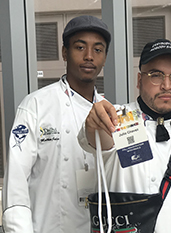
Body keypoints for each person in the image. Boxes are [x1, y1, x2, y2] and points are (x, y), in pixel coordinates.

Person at [78, 39, 171, 232]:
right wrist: (93, 123)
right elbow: (94, 139)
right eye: (156, 75)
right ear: (139, 80)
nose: (166, 85)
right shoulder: (117, 119)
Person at [2, 15, 111, 233]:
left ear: (105, 57)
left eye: (98, 50)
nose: (89, 56)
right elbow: (16, 184)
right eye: (80, 47)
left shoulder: (109, 112)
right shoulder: (36, 105)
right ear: (64, 52)